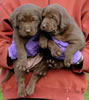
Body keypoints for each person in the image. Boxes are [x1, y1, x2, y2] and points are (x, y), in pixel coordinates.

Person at [0, 0, 89, 100]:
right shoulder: (8, 1)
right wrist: (10, 53)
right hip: (18, 92)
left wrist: (80, 59)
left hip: (68, 93)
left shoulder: (83, 2)